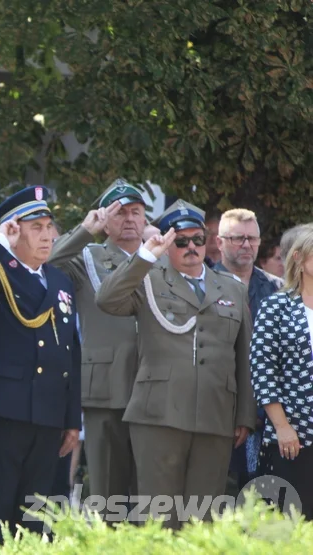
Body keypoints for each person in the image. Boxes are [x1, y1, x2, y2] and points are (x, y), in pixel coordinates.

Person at [95, 200, 256, 528]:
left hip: (215, 413)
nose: (191, 247)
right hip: (160, 413)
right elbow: (107, 299)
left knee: (202, 517)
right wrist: (145, 256)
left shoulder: (232, 289)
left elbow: (243, 356)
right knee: (159, 516)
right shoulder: (149, 279)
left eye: (197, 239)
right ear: (167, 244)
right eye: (180, 241)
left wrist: (244, 416)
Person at [0, 186, 81, 551]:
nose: (48, 235)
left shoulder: (58, 281)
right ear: (14, 231)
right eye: (36, 227)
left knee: (36, 514)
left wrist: (72, 418)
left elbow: (70, 352)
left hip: (49, 412)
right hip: (4, 410)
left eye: (49, 226)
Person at [47, 179, 145, 519]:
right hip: (106, 383)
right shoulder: (89, 255)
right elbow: (50, 262)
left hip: (155, 386)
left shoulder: (160, 255)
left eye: (136, 212)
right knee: (108, 489)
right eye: (119, 213)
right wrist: (87, 230)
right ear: (105, 219)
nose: (130, 219)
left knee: (151, 490)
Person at [213, 209, 282, 489]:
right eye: (237, 238)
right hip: (217, 407)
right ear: (219, 242)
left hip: (267, 413)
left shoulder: (277, 289)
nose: (246, 245)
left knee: (259, 494)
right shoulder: (202, 285)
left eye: (252, 239)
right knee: (216, 493)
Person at [250, 226, 313, 518]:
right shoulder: (276, 306)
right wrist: (282, 426)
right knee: (292, 519)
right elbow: (263, 371)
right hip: (293, 436)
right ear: (299, 258)